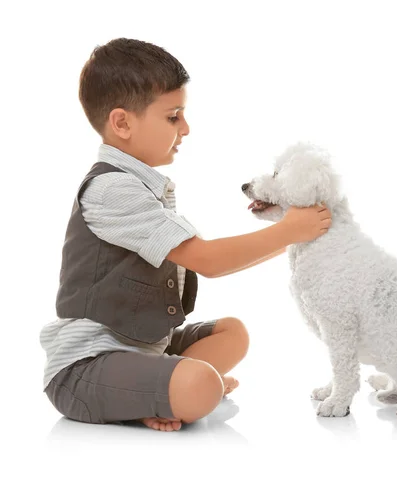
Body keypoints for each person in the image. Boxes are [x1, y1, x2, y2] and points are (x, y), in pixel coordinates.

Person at [39, 37, 331, 432]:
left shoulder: (142, 185)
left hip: (145, 345)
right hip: (87, 367)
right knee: (200, 386)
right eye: (173, 116)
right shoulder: (112, 189)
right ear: (122, 123)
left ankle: (160, 389)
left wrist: (294, 235)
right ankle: (162, 393)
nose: (186, 128)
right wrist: (289, 230)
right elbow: (208, 260)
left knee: (233, 333)